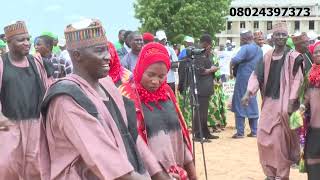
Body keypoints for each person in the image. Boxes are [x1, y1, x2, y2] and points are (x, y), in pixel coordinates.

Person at [40, 19, 170, 180]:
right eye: (100, 51)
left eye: (107, 50)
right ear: (77, 55)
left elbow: (130, 136)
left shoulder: (107, 85)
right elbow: (102, 157)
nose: (108, 56)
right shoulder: (66, 98)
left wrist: (159, 174)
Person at [119, 42, 197, 180]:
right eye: (151, 74)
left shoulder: (167, 92)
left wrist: (191, 171)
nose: (156, 81)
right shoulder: (127, 95)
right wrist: (158, 175)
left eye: (161, 76)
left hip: (177, 172)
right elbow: (132, 142)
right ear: (141, 68)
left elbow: (180, 134)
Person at [242, 22, 304, 180]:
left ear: (287, 36)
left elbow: (298, 80)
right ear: (273, 37)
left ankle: (281, 175)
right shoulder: (267, 57)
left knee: (278, 143)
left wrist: (291, 101)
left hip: (284, 106)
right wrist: (249, 93)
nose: (281, 37)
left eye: (284, 34)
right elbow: (257, 75)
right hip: (268, 104)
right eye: (278, 34)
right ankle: (270, 173)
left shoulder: (294, 57)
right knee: (263, 139)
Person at [0, 21, 51, 180]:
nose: (27, 43)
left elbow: (46, 89)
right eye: (21, 40)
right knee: (8, 166)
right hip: (9, 125)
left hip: (36, 124)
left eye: (28, 39)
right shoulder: (2, 63)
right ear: (9, 42)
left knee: (35, 167)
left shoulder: (36, 62)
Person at [179, 34, 219, 141]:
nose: (210, 47)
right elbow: (200, 70)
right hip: (199, 87)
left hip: (205, 87)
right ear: (206, 43)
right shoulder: (197, 53)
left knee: (204, 112)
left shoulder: (205, 53)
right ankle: (197, 134)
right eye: (209, 45)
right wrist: (212, 69)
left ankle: (205, 132)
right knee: (199, 112)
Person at [230, 30, 262, 139]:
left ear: (243, 39)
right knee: (252, 101)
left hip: (243, 78)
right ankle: (254, 131)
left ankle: (240, 132)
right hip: (255, 78)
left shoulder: (245, 48)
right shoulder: (259, 49)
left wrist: (231, 66)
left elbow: (235, 60)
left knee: (239, 102)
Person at [302, 41, 320, 180]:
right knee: (311, 157)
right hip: (314, 126)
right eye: (315, 52)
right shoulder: (310, 73)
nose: (318, 54)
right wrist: (302, 107)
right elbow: (307, 95)